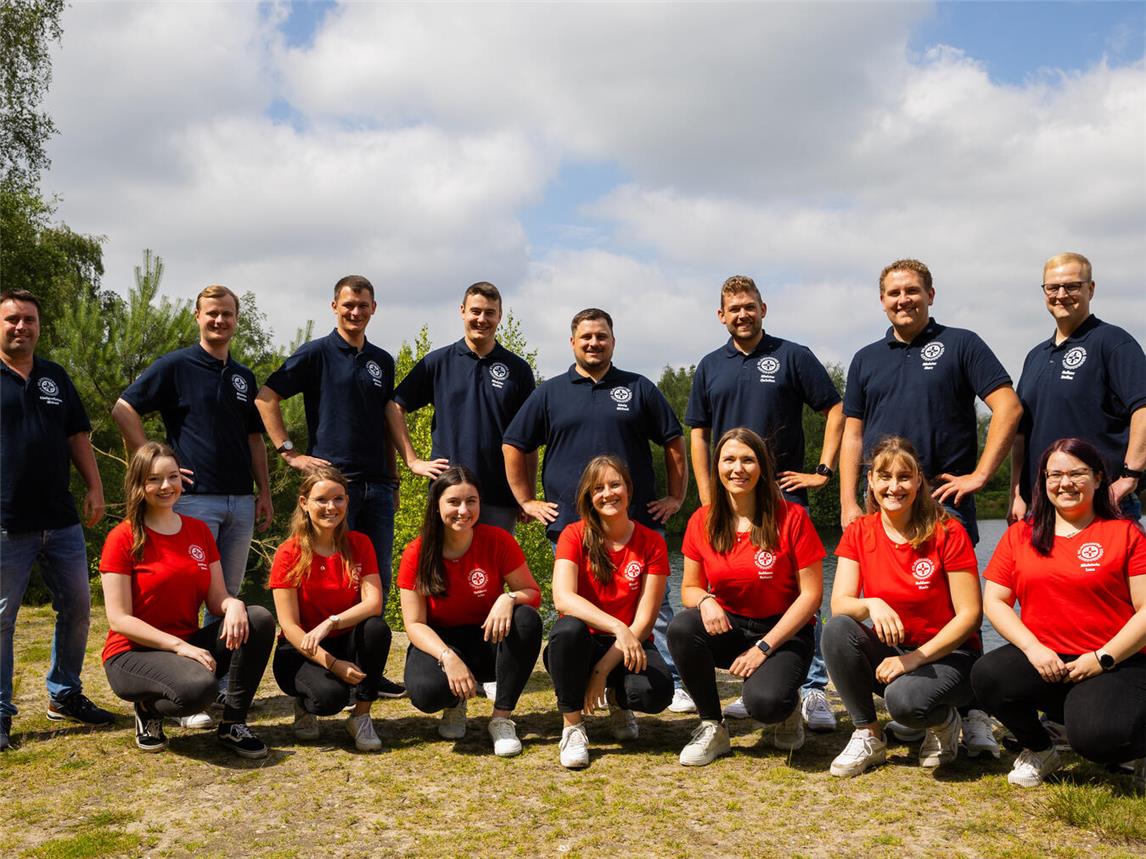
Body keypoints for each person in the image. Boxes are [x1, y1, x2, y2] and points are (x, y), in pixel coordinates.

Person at [839, 258, 1020, 754]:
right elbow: (853, 432)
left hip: (944, 501)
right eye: (894, 292)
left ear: (931, 294)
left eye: (912, 291)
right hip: (881, 502)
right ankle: (912, 704)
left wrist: (981, 475)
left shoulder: (961, 344)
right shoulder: (866, 358)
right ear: (882, 301)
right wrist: (849, 501)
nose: (903, 300)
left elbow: (1007, 405)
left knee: (958, 611)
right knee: (884, 603)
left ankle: (972, 707)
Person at [502, 308, 690, 711]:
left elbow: (674, 440)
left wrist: (676, 497)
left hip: (635, 524)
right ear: (572, 342)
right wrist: (525, 499)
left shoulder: (638, 388)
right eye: (586, 336)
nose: (594, 343)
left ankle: (669, 682)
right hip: (571, 525)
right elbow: (515, 442)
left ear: (613, 342)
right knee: (574, 615)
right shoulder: (550, 392)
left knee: (655, 611)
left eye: (601, 336)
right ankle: (577, 685)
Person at [686, 274, 842, 732]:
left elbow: (834, 408)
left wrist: (823, 470)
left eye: (749, 306)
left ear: (763, 309)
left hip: (784, 493)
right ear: (721, 315)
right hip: (726, 495)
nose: (742, 314)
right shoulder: (710, 366)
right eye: (733, 308)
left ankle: (812, 689)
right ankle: (759, 681)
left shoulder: (792, 356)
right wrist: (707, 493)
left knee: (794, 589)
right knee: (738, 588)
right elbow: (698, 432)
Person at [112, 285, 273, 719]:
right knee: (180, 596)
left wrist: (264, 493)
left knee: (226, 600)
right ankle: (179, 683)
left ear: (237, 319)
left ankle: (216, 687)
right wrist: (156, 466)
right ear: (197, 317)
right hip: (192, 500)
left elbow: (254, 439)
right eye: (212, 314)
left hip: (240, 500)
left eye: (227, 314)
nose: (219, 321)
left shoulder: (242, 376)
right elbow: (124, 409)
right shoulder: (176, 365)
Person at [256, 274, 404, 697]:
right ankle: (316, 663)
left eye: (363, 305)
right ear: (334, 307)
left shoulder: (381, 360)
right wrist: (288, 451)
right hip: (334, 490)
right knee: (319, 579)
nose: (355, 312)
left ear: (373, 308)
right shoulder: (317, 353)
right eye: (347, 305)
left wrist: (393, 478)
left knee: (374, 583)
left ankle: (366, 668)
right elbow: (266, 397)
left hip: (377, 485)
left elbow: (385, 424)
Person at [972, 438, 1145, 788]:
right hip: (1050, 661)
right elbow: (995, 602)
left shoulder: (1125, 533)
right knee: (988, 675)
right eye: (1055, 475)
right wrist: (1033, 647)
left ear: (1098, 479)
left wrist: (1104, 657)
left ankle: (1134, 742)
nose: (1065, 483)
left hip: (1117, 663)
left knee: (1098, 740)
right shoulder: (1021, 535)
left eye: (1077, 473)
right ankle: (1040, 749)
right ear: (1043, 481)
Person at [100, 443, 274, 757]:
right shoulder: (123, 537)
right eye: (154, 479)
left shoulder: (198, 532)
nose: (166, 486)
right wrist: (181, 647)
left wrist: (233, 605)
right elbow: (119, 619)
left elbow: (217, 598)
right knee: (200, 690)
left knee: (258, 618)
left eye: (172, 476)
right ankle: (148, 707)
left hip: (186, 646)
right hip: (132, 653)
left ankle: (234, 724)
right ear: (139, 485)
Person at [823, 437, 984, 777]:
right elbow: (840, 604)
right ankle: (868, 733)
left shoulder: (948, 532)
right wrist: (871, 603)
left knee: (904, 703)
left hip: (949, 658)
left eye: (904, 477)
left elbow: (970, 616)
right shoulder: (859, 532)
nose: (894, 487)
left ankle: (944, 722)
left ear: (919, 480)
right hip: (893, 655)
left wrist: (912, 659)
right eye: (884, 476)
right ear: (870, 481)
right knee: (837, 629)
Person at [667, 428, 824, 766]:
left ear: (762, 468)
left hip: (785, 634)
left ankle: (789, 708)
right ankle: (712, 726)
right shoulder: (702, 521)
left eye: (748, 460)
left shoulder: (792, 518)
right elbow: (689, 588)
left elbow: (812, 596)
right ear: (717, 468)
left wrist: (764, 648)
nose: (738, 469)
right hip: (732, 627)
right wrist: (706, 600)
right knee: (681, 628)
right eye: (729, 460)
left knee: (765, 705)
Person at [1, 289, 114, 751]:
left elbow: (77, 435)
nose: (21, 327)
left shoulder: (54, 376)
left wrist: (94, 486)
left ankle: (64, 694)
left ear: (39, 326)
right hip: (6, 521)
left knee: (79, 608)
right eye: (12, 319)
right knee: (2, 619)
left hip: (60, 518)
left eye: (29, 319)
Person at [398, 466, 542, 757]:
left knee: (526, 618)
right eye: (453, 502)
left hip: (486, 639)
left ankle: (501, 719)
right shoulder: (417, 551)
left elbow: (533, 593)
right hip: (441, 643)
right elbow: (414, 624)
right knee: (426, 694)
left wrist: (508, 597)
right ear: (437, 506)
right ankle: (454, 704)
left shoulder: (498, 540)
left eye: (471, 501)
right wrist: (447, 657)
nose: (463, 510)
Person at [546, 456, 674, 768]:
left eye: (615, 484)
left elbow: (644, 620)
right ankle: (573, 726)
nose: (608, 493)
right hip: (582, 644)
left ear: (628, 490)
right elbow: (563, 598)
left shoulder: (652, 542)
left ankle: (618, 700)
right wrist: (618, 626)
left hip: (629, 644)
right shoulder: (573, 535)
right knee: (566, 631)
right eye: (598, 488)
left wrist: (602, 672)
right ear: (589, 497)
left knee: (656, 693)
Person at [386, 281, 536, 533]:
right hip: (448, 494)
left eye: (489, 312)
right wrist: (412, 461)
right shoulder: (437, 362)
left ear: (499, 316)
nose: (481, 319)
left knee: (494, 571)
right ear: (462, 311)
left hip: (499, 496)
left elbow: (529, 438)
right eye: (475, 311)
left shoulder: (518, 370)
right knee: (442, 570)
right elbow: (394, 406)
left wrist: (527, 495)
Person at [1010, 252, 1145, 523]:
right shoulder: (1035, 356)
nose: (1061, 294)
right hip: (1041, 508)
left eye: (1072, 286)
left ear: (1090, 289)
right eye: (1053, 287)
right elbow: (1021, 435)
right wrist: (1016, 493)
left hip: (1103, 504)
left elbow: (1143, 408)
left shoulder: (1114, 342)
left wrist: (1130, 477)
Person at [268, 467, 392, 752]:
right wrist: (334, 665)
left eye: (338, 499)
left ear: (347, 502)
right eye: (321, 499)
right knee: (329, 700)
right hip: (300, 650)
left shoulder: (360, 544)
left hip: (343, 640)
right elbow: (289, 626)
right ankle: (304, 705)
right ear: (304, 503)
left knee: (376, 628)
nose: (330, 507)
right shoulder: (289, 553)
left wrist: (331, 622)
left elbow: (373, 604)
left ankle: (361, 716)